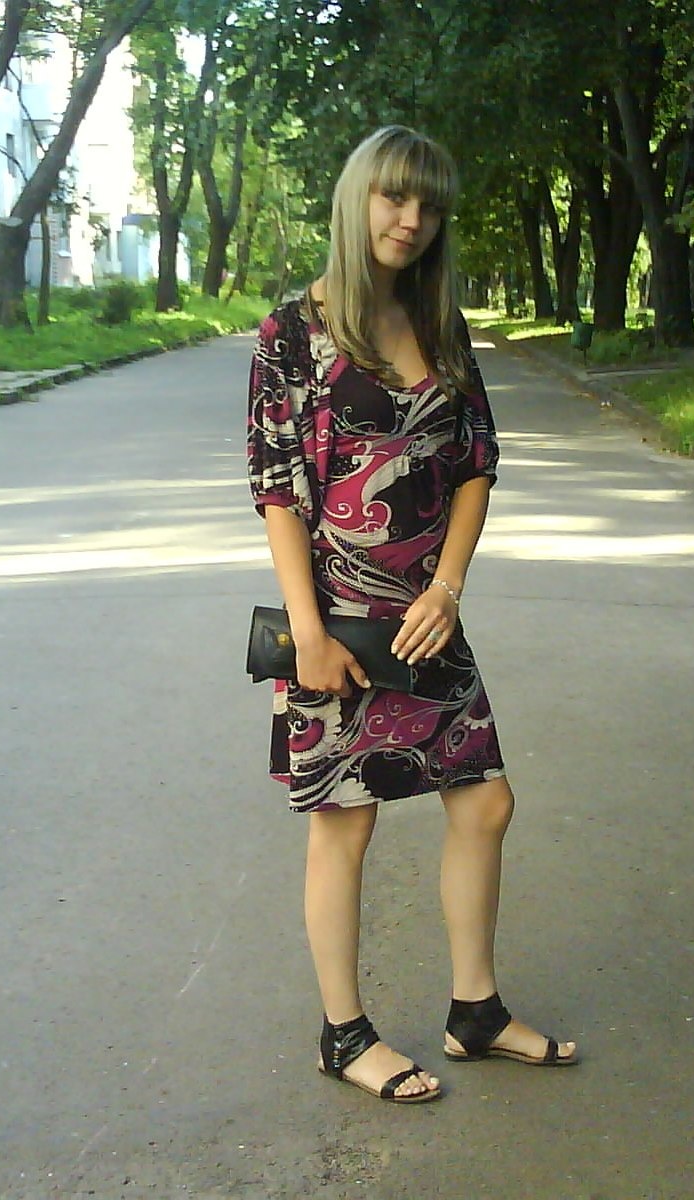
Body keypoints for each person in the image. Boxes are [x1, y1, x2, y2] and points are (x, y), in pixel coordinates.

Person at [247, 125, 578, 1104]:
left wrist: (447, 587)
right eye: (395, 197)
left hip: (426, 620)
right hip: (337, 626)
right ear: (358, 199)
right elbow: (277, 490)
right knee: (343, 823)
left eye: (429, 205)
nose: (412, 218)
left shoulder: (440, 325)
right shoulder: (292, 332)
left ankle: (475, 1013)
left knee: (484, 801)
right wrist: (307, 633)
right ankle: (343, 1035)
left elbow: (476, 464)